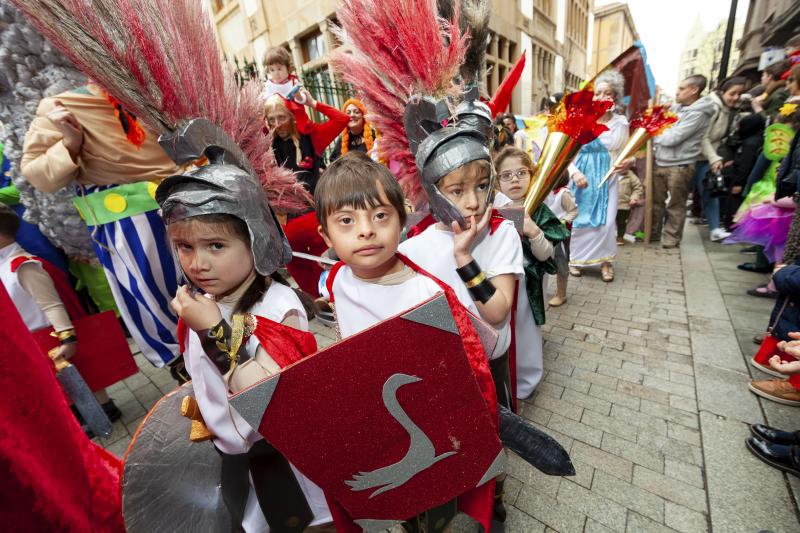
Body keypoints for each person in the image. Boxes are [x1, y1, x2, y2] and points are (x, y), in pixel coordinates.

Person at [156, 155, 333, 532]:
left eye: (216, 245)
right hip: (240, 462)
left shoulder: (277, 308)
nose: (198, 263)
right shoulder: (201, 301)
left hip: (288, 466)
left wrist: (215, 332)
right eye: (185, 247)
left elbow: (271, 400)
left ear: (256, 238)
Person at [20, 82, 183, 371]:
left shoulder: (155, 86)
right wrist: (69, 144)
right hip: (129, 224)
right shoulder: (62, 104)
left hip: (186, 202)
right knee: (163, 312)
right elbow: (37, 174)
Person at [0, 204, 122, 424]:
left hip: (48, 335)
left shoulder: (22, 265)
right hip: (31, 337)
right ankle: (84, 413)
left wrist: (67, 338)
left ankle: (103, 408)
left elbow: (51, 305)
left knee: (81, 374)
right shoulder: (6, 266)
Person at [494, 146, 569, 399]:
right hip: (498, 281)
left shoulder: (541, 211)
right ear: (497, 180)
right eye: (506, 175)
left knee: (525, 330)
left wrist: (533, 230)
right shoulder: (490, 207)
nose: (514, 179)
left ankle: (525, 381)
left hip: (527, 283)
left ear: (531, 175)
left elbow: (546, 254)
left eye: (521, 172)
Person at [568, 70, 630, 281]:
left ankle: (606, 262)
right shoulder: (580, 121)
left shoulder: (621, 124)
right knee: (578, 221)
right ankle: (575, 260)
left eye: (607, 93)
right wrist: (574, 173)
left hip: (608, 180)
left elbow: (625, 153)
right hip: (581, 179)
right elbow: (565, 155)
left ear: (615, 98)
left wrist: (627, 163)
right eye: (598, 93)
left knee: (607, 222)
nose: (601, 98)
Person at [652, 74, 717, 248]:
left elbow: (672, 138)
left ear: (694, 90)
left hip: (680, 165)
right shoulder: (677, 108)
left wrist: (656, 132)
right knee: (655, 202)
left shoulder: (699, 113)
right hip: (661, 161)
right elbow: (661, 128)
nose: (677, 92)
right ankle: (653, 233)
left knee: (675, 204)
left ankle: (671, 238)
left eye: (682, 88)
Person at [265, 91, 349, 195]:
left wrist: (312, 103)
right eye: (272, 119)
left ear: (292, 116)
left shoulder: (312, 136)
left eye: (282, 117)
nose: (277, 125)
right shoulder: (268, 144)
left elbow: (342, 119)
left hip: (316, 207)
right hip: (286, 209)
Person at [696, 77, 746, 241]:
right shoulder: (712, 107)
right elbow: (703, 137)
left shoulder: (727, 109)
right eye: (732, 93)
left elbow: (716, 138)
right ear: (722, 92)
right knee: (680, 196)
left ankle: (715, 228)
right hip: (695, 157)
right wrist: (714, 158)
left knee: (712, 191)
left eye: (739, 94)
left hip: (708, 158)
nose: (736, 97)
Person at [544, 170, 578, 307]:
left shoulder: (563, 193)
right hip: (548, 233)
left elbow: (574, 210)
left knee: (561, 263)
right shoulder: (549, 192)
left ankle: (561, 294)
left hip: (560, 235)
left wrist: (563, 221)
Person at [615, 170, 644, 245]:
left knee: (622, 222)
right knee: (609, 222)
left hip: (624, 205)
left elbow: (637, 188)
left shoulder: (631, 176)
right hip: (610, 204)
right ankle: (608, 237)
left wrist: (634, 198)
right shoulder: (610, 174)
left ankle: (620, 237)